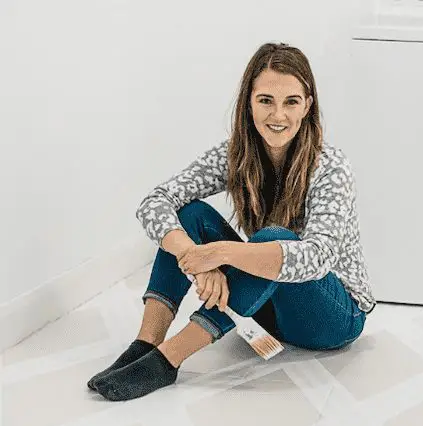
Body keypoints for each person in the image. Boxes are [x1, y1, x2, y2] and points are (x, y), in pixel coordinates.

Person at [87, 42, 376, 402]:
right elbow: (155, 202)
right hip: (263, 305)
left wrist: (222, 252)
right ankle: (145, 344)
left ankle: (168, 360)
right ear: (248, 102)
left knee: (274, 237)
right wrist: (196, 257)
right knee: (189, 214)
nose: (279, 114)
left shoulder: (329, 166)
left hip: (331, 316)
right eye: (266, 100)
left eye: (291, 102)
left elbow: (316, 257)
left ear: (307, 106)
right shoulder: (235, 155)